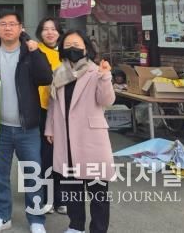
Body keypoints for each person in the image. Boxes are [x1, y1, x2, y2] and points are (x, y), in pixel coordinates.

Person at [0, 11, 52, 233]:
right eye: (3, 24)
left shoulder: (30, 51)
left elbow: (46, 77)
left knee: (33, 172)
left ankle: (36, 219)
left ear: (20, 27)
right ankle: (2, 215)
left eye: (12, 24)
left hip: (28, 127)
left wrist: (36, 52)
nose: (7, 28)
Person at [45, 30, 115, 233]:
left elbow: (106, 101)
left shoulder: (96, 71)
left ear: (86, 48)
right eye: (68, 45)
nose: (72, 49)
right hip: (65, 136)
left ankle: (98, 229)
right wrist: (50, 128)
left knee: (98, 190)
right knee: (71, 188)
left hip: (91, 138)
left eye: (76, 45)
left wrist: (105, 76)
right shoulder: (59, 72)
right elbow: (53, 104)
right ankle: (75, 226)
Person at [35, 17, 66, 215]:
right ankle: (46, 197)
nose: (50, 32)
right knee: (45, 155)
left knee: (62, 154)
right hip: (41, 108)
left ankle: (60, 197)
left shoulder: (66, 52)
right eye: (45, 29)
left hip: (63, 110)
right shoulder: (34, 51)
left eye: (53, 29)